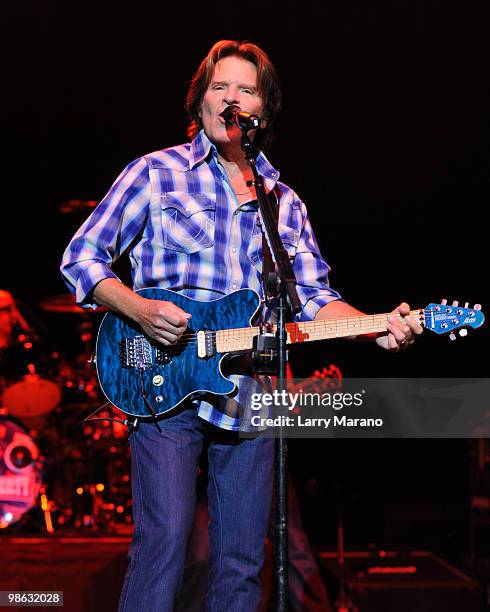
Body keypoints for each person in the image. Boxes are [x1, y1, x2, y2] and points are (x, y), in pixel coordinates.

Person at [60, 40, 422, 611]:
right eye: (219, 87)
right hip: (163, 381)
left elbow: (314, 297)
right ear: (200, 103)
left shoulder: (283, 202)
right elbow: (81, 258)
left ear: (263, 109)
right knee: (165, 545)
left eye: (246, 89)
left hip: (253, 390)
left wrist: (373, 326)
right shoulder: (155, 174)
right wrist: (137, 308)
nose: (232, 97)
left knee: (242, 562)